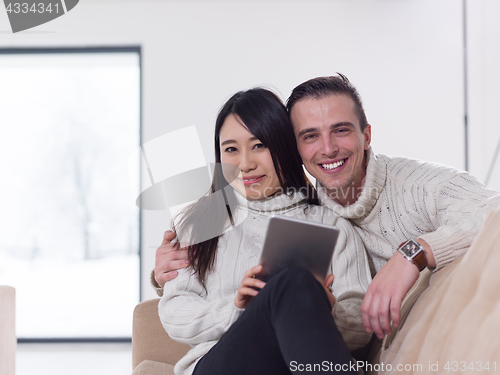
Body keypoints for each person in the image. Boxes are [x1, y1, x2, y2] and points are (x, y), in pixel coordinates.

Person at [154, 74, 500, 343]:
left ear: (366, 135)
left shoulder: (412, 190)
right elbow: (188, 295)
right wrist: (165, 274)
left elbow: (494, 211)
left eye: (341, 130)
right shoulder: (296, 207)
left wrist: (413, 253)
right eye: (310, 136)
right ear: (295, 148)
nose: (328, 148)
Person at [158, 88, 372, 375]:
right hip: (218, 365)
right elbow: (174, 314)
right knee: (292, 281)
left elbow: (360, 329)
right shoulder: (199, 224)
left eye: (259, 145)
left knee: (295, 284)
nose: (245, 164)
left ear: (284, 147)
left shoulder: (333, 226)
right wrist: (235, 308)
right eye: (231, 149)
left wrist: (323, 308)